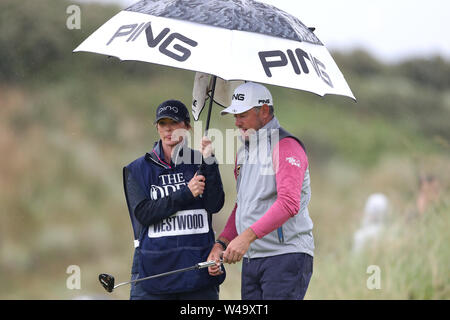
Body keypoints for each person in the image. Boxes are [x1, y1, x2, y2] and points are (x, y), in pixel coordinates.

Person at [207, 82, 314, 300]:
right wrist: (223, 243)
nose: (237, 123)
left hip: (285, 256)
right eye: (235, 116)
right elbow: (243, 204)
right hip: (253, 257)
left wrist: (245, 238)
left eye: (242, 115)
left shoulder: (286, 146)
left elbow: (288, 203)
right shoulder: (243, 152)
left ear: (264, 111)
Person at [123, 99, 226, 300]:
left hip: (198, 275)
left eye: (174, 123)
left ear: (187, 126)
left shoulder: (201, 161)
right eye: (163, 123)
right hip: (154, 274)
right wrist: (186, 193)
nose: (168, 129)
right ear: (157, 127)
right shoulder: (137, 169)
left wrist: (210, 161)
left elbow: (215, 204)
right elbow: (144, 214)